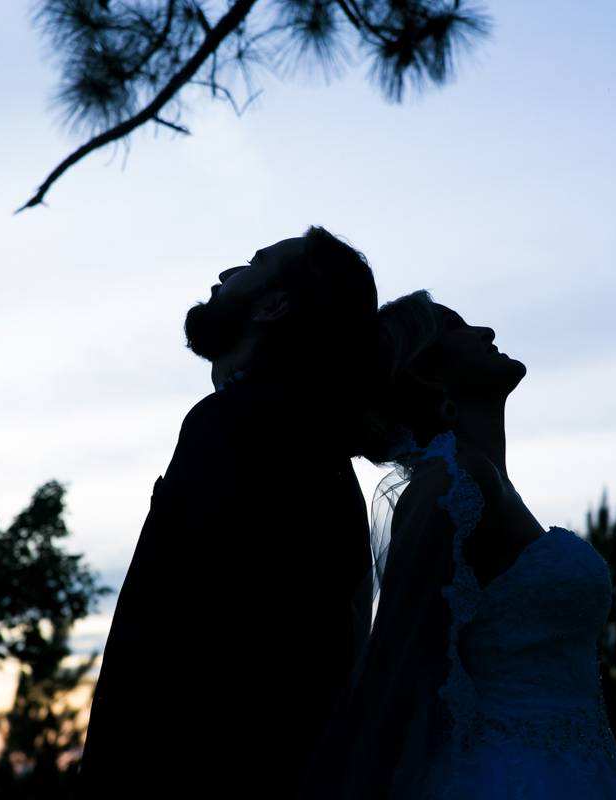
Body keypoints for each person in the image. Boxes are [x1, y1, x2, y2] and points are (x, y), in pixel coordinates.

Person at [301, 291, 616, 799]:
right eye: (456, 326)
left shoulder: (481, 480)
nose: (484, 332)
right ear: (426, 374)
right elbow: (394, 664)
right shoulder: (452, 484)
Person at [78, 228, 381, 797]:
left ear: (274, 304)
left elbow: (193, 625)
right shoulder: (311, 442)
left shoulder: (237, 424)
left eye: (252, 263)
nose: (224, 276)